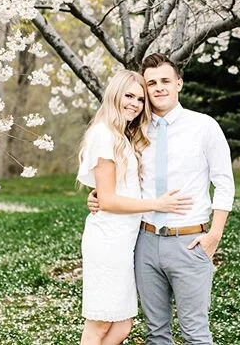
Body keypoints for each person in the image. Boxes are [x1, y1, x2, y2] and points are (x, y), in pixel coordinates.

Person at [89, 54, 235, 344]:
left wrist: (214, 235)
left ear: (178, 83)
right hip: (144, 242)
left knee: (195, 332)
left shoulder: (204, 126)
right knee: (156, 333)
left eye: (165, 80)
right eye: (151, 83)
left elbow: (225, 184)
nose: (159, 88)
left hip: (189, 242)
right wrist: (97, 197)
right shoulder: (133, 130)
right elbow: (116, 176)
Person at [77, 70, 193, 345]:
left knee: (122, 326)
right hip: (107, 241)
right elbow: (107, 199)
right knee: (100, 323)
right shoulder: (104, 135)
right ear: (114, 94)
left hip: (124, 241)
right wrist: (157, 203)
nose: (134, 103)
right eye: (128, 96)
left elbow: (109, 192)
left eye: (140, 99)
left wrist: (100, 196)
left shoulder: (121, 136)